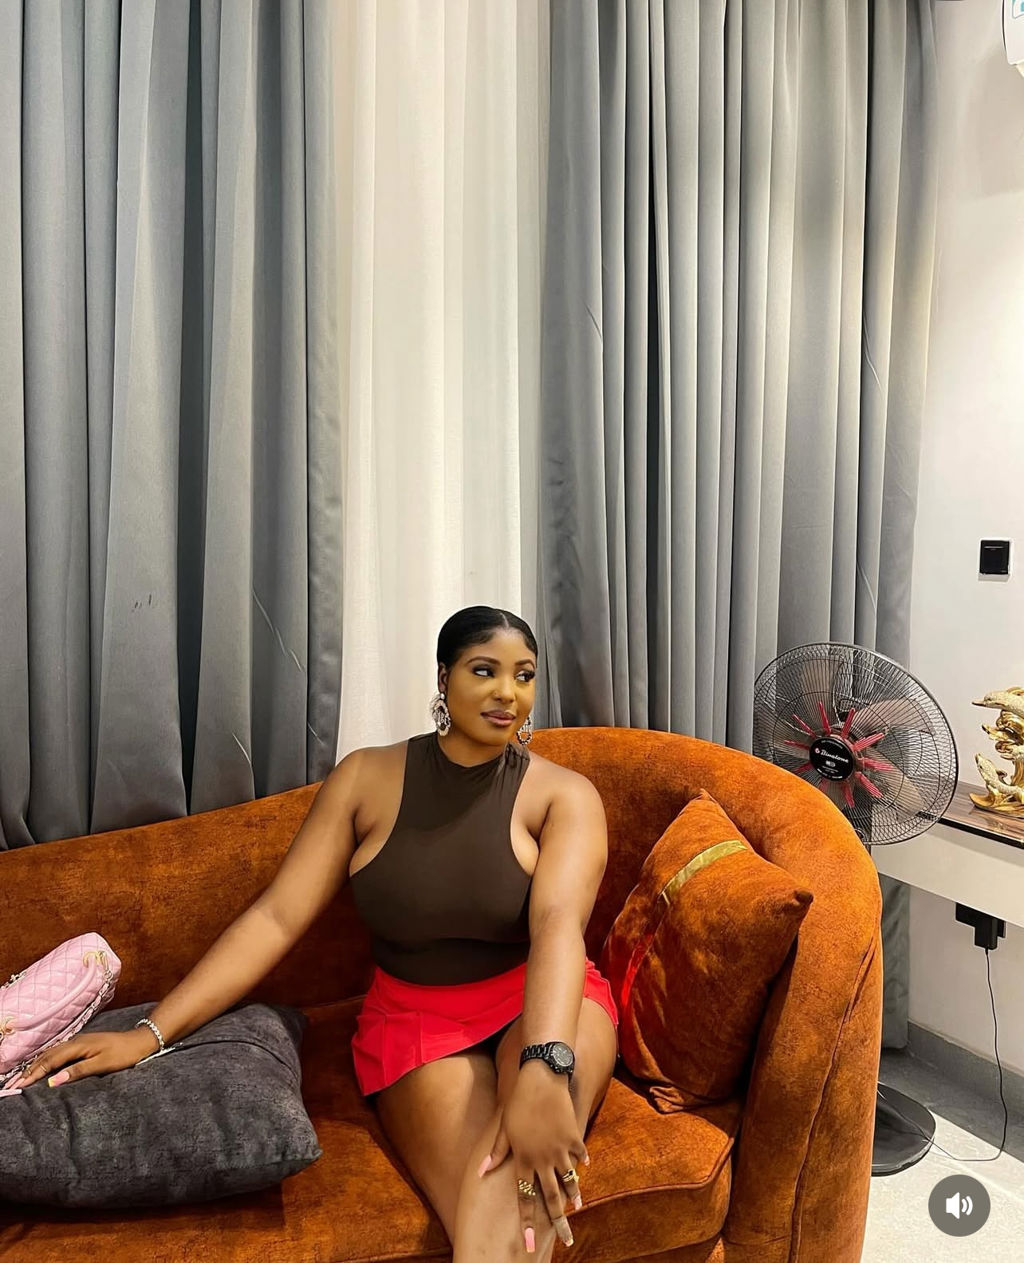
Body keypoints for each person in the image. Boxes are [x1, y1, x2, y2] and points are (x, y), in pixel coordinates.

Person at [13, 606, 619, 1260]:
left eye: (524, 675)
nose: (507, 692)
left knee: (521, 1187)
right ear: (444, 678)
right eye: (485, 670)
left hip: (542, 1002)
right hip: (416, 1021)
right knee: (497, 1218)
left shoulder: (564, 795)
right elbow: (275, 918)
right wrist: (148, 1034)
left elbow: (558, 927)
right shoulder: (365, 779)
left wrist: (546, 1063)